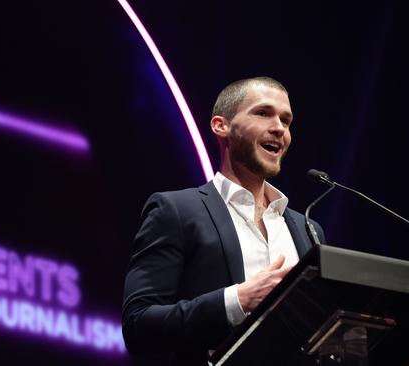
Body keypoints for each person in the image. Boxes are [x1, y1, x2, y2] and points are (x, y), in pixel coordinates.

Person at [122, 77, 325, 365]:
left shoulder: (309, 230)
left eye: (286, 120)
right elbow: (138, 324)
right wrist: (237, 301)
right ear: (221, 126)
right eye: (263, 113)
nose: (279, 128)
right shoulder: (177, 210)